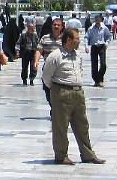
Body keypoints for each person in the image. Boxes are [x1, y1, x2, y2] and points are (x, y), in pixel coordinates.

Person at [40, 27, 105, 165]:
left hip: (78, 93)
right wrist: (57, 90)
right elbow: (46, 77)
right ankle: (61, 155)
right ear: (68, 40)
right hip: (61, 93)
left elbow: (79, 71)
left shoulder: (78, 55)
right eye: (76, 38)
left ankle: (88, 154)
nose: (79, 40)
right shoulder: (55, 56)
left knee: (82, 125)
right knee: (61, 126)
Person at [85, 14, 111, 87]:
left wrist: (106, 43)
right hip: (94, 47)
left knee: (103, 65)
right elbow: (86, 37)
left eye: (99, 21)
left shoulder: (104, 28)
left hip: (102, 47)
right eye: (96, 21)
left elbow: (108, 36)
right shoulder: (91, 28)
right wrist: (86, 46)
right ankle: (97, 80)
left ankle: (99, 78)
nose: (98, 22)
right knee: (94, 64)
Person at [16, 17, 40, 86]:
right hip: (25, 53)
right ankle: (24, 80)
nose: (31, 29)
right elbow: (18, 43)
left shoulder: (35, 35)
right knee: (24, 67)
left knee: (33, 67)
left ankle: (32, 79)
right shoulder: (23, 34)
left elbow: (38, 44)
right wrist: (17, 51)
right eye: (30, 27)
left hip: (33, 53)